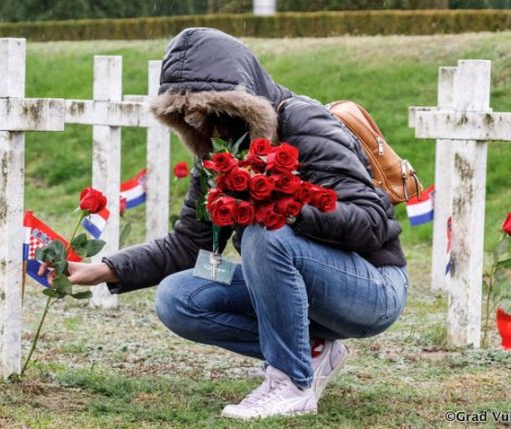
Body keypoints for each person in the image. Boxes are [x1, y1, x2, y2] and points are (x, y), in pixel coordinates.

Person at [40, 27, 408, 420]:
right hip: (296, 280)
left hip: (371, 287)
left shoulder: (305, 124)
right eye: (187, 115)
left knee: (265, 232)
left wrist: (286, 206)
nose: (203, 125)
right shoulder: (220, 149)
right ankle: (313, 350)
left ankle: (291, 385)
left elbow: (372, 222)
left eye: (209, 110)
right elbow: (187, 245)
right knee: (178, 297)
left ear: (240, 100)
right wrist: (105, 269)